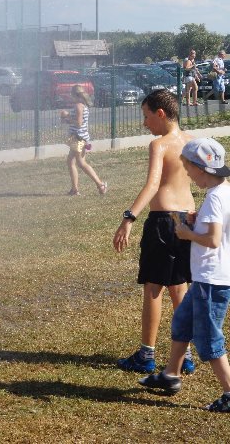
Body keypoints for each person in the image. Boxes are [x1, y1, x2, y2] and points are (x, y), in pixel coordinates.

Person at [138, 138, 230, 412]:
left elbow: (213, 239)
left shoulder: (214, 198)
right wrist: (197, 221)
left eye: (188, 168)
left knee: (209, 339)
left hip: (211, 281)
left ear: (200, 168)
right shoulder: (224, 191)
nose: (187, 174)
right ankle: (171, 375)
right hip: (208, 278)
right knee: (181, 322)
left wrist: (187, 233)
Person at [113, 89, 196, 374]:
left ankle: (146, 354)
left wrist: (129, 218)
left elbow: (152, 184)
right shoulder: (192, 141)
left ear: (161, 113)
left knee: (153, 288)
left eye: (147, 116)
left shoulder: (159, 144)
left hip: (162, 223)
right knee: (180, 288)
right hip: (187, 221)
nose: (144, 123)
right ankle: (185, 355)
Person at [60, 85, 107, 196]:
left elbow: (79, 123)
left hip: (78, 138)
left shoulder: (78, 106)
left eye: (71, 94)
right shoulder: (82, 105)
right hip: (79, 137)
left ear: (74, 95)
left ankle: (100, 185)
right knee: (72, 162)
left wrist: (67, 116)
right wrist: (66, 119)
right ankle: (75, 189)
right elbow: (77, 121)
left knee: (80, 163)